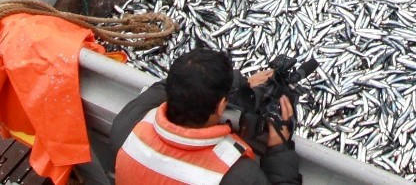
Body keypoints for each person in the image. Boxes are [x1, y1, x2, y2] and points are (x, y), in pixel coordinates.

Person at [108, 48, 302, 185]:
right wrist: (279, 148)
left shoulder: (126, 127)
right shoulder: (235, 174)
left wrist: (238, 84)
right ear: (220, 107)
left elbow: (163, 86)